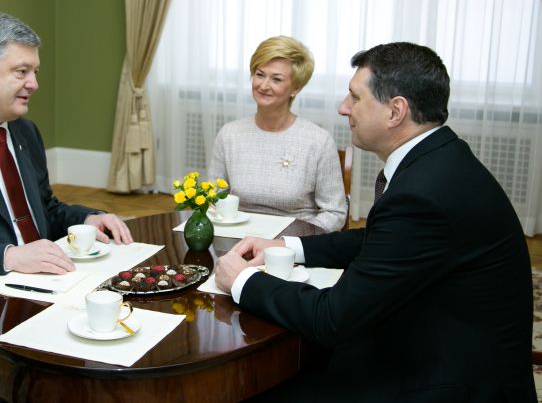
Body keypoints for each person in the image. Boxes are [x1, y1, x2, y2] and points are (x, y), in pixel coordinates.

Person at [215, 42, 535, 401]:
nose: (343, 107)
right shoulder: (439, 161)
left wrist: (242, 281)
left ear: (395, 111)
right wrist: (288, 245)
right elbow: (380, 239)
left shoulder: (424, 194)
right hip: (434, 340)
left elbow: (331, 319)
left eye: (355, 97)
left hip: (448, 381)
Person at [0, 9, 133, 283]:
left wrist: (87, 219)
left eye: (35, 72)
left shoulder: (26, 132)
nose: (34, 84)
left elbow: (45, 208)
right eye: (22, 72)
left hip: (50, 278)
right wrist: (8, 257)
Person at [208, 35, 347, 232]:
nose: (263, 85)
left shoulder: (318, 141)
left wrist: (293, 242)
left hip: (294, 244)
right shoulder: (229, 134)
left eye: (276, 79)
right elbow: (212, 200)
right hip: (237, 240)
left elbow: (335, 213)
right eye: (260, 74)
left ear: (296, 88)